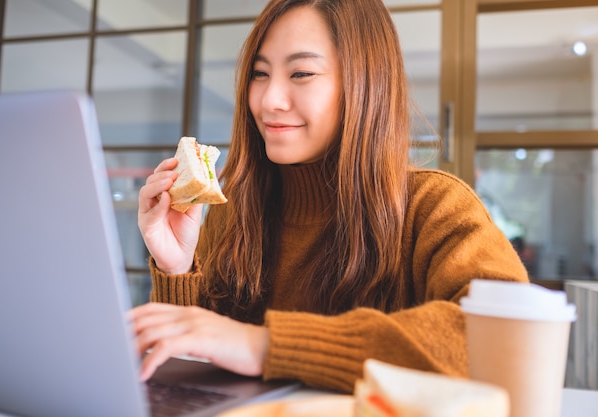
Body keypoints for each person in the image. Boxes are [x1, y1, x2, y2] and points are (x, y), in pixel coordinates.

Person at [130, 0, 528, 394]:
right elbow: (198, 379)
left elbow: (502, 338)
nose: (269, 101)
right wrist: (178, 268)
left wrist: (267, 346)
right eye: (259, 74)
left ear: (366, 83)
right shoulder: (230, 210)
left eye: (301, 73)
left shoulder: (436, 207)